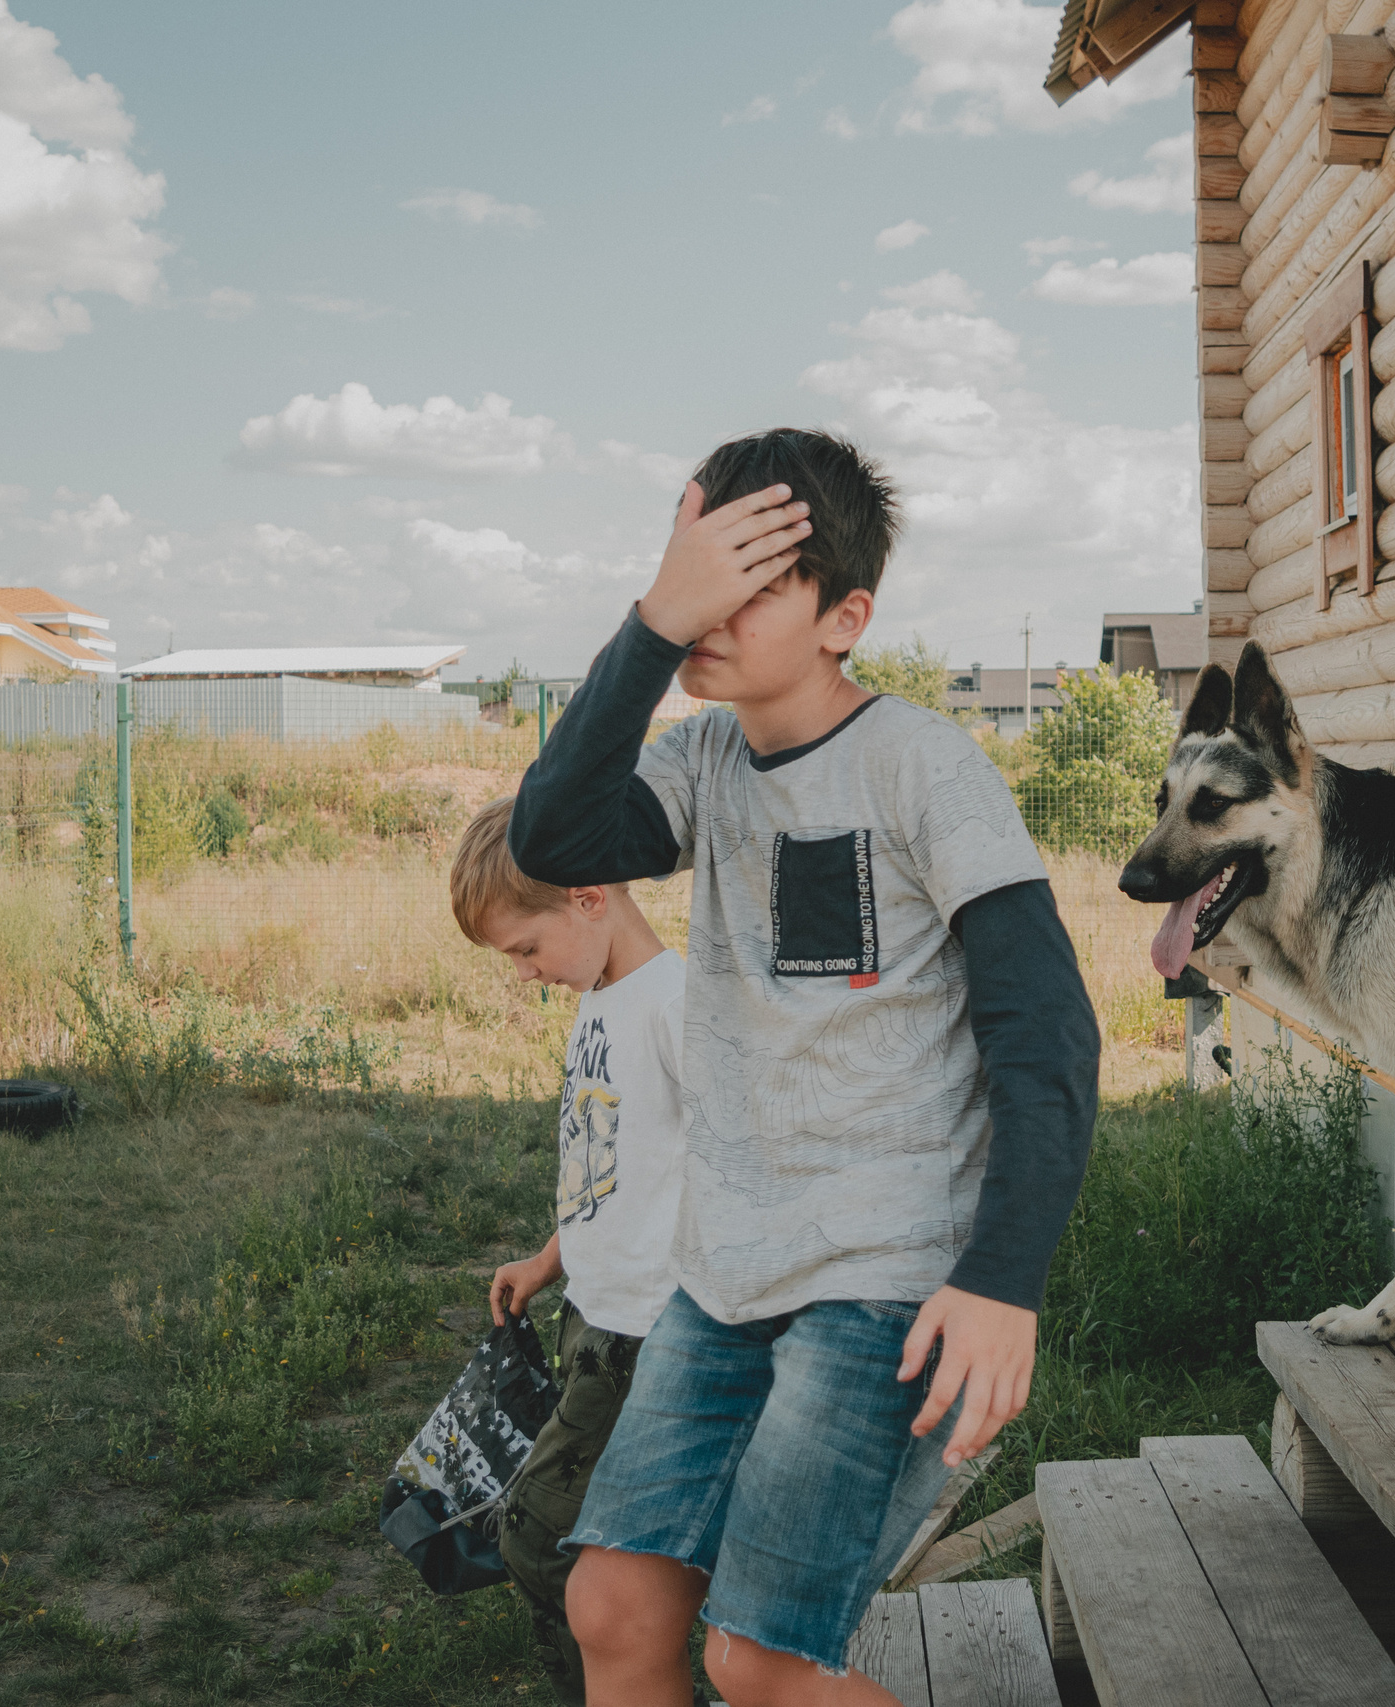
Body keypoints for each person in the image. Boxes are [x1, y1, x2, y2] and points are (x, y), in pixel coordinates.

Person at [507, 427, 1100, 1707]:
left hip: (886, 1280)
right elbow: (552, 838)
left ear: (845, 618)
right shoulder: (702, 763)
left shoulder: (924, 767)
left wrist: (1003, 1283)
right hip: (723, 1274)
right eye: (701, 576)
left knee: (762, 1662)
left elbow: (1047, 1035)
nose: (712, 613)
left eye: (752, 584)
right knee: (611, 1608)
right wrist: (651, 623)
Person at [449, 797, 687, 1703]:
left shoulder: (675, 1006)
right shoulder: (598, 996)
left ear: (589, 897)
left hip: (644, 1334)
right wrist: (550, 1260)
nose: (522, 974)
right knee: (583, 1535)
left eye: (524, 949)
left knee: (538, 1536)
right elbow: (609, 1165)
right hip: (589, 1313)